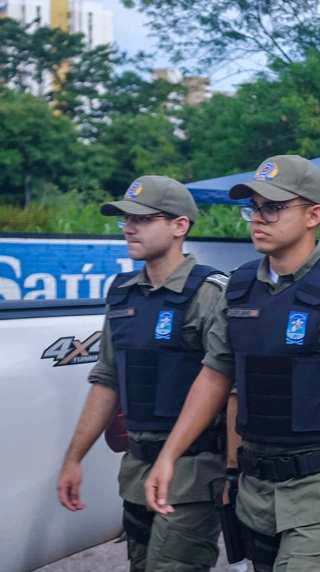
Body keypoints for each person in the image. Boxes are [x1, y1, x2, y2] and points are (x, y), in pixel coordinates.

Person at [142, 155, 320, 570]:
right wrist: (169, 455)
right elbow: (214, 377)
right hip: (258, 487)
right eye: (254, 207)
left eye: (273, 208)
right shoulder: (238, 290)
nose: (259, 218)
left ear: (313, 215)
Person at [57, 176, 228, 571]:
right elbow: (107, 380)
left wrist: (234, 472)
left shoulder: (210, 294)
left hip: (192, 472)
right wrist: (73, 458)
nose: (129, 228)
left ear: (179, 226)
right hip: (136, 470)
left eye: (142, 219)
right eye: (125, 220)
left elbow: (228, 385)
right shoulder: (123, 295)